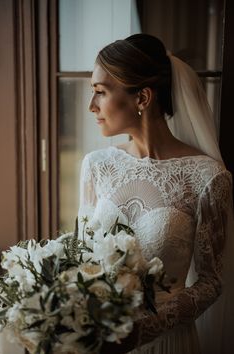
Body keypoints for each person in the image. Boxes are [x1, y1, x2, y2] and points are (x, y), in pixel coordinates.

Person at [78, 33, 234, 354]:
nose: (91, 106)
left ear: (143, 98)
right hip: (99, 340)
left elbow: (211, 282)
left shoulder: (207, 176)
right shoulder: (96, 165)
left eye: (100, 92)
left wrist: (143, 330)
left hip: (167, 342)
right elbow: (79, 257)